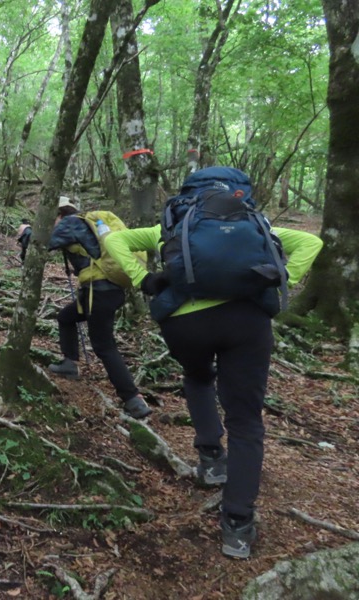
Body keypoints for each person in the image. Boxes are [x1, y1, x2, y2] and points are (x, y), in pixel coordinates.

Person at [104, 167, 323, 559]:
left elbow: (116, 238)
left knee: (198, 377)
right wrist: (284, 275)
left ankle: (210, 459)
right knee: (246, 420)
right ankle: (237, 526)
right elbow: (311, 241)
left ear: (190, 192)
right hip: (247, 321)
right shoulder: (258, 224)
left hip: (185, 322)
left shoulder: (173, 225)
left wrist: (143, 278)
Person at [46, 196, 152, 420]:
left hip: (99, 292)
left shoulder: (70, 223)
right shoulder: (85, 223)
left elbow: (40, 242)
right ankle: (70, 363)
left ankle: (133, 399)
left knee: (104, 345)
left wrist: (25, 231)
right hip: (108, 291)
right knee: (66, 317)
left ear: (59, 214)